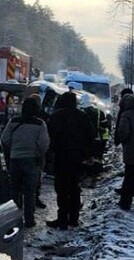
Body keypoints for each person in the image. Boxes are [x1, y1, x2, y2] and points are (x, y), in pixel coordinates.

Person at [45, 92, 95, 229]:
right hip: (77, 157)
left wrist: (49, 154)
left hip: (61, 156)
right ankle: (74, 218)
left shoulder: (55, 116)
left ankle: (62, 218)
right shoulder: (82, 116)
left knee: (61, 188)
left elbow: (50, 137)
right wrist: (87, 154)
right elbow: (90, 135)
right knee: (74, 187)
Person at [1, 97, 49, 227]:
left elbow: (5, 139)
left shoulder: (13, 121)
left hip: (15, 159)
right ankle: (29, 220)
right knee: (30, 192)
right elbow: (43, 144)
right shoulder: (40, 124)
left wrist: (14, 148)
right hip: (32, 161)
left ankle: (12, 220)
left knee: (14, 190)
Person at [28, 93, 48, 209]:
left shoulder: (16, 119)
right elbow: (44, 141)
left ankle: (18, 201)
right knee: (36, 178)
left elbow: (6, 138)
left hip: (18, 154)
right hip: (36, 154)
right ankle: (35, 199)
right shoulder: (42, 119)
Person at [79, 93, 110, 164]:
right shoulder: (99, 112)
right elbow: (105, 125)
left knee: (86, 159)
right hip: (98, 139)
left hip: (85, 140)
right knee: (97, 158)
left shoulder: (80, 113)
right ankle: (97, 171)